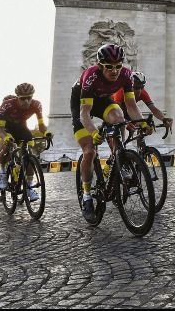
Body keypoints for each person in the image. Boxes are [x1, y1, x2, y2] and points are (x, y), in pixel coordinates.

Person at [71, 43, 152, 223]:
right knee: (90, 151)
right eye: (109, 67)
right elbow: (84, 113)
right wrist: (93, 132)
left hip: (103, 101)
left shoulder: (126, 74)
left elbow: (131, 106)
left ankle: (118, 156)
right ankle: (86, 196)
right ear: (100, 66)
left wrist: (141, 123)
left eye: (118, 65)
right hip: (82, 104)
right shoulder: (91, 76)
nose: (114, 70)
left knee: (118, 117)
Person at [0, 83, 48, 202]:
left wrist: (47, 134)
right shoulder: (7, 105)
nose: (26, 101)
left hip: (22, 128)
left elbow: (41, 126)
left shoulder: (37, 105)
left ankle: (29, 187)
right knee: (5, 147)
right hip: (6, 129)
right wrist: (6, 137)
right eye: (22, 98)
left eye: (29, 97)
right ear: (17, 97)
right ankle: (2, 172)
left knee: (30, 155)